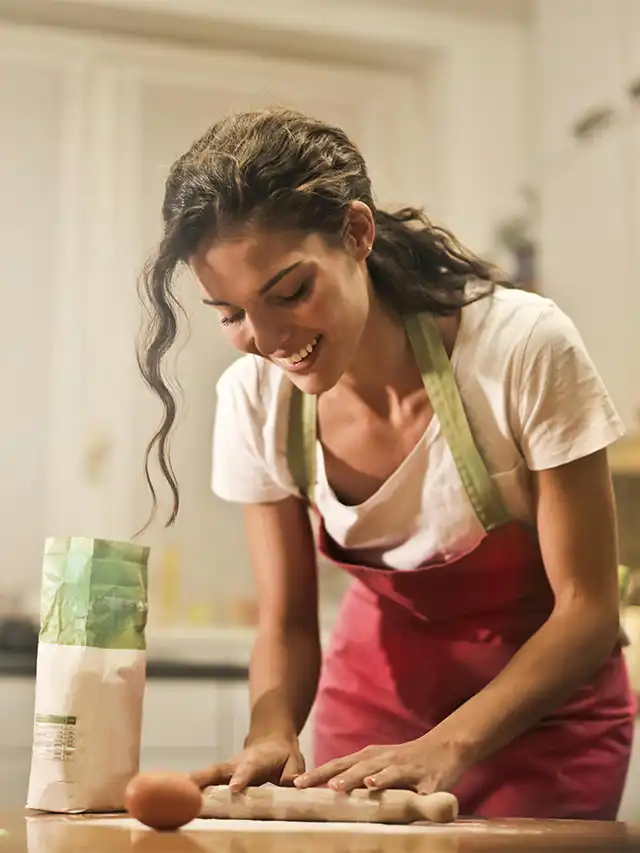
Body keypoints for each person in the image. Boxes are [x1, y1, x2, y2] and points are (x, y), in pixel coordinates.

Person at [138, 107, 636, 819]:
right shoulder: (255, 401)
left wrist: (447, 745)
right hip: (368, 725)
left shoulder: (521, 349)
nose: (270, 337)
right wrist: (271, 730)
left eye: (289, 292)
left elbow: (587, 611)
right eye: (231, 313)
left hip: (545, 727)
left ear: (357, 233)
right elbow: (285, 622)